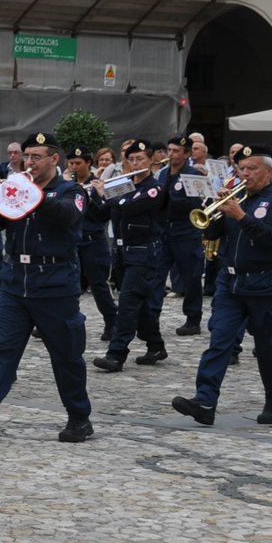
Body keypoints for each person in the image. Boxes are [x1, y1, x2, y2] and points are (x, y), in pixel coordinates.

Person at [0, 132, 93, 442]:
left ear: (54, 159)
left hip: (55, 282)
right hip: (16, 280)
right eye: (26, 157)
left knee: (66, 355)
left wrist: (28, 194)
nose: (28, 162)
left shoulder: (72, 191)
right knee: (3, 350)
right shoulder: (17, 187)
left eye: (36, 157)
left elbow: (66, 217)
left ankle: (79, 417)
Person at [173, 146, 272, 427]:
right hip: (231, 282)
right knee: (220, 340)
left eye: (252, 169)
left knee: (268, 349)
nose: (245, 174)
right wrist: (212, 216)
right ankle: (205, 400)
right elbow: (214, 234)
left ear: (269, 172)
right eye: (241, 169)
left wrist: (241, 216)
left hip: (266, 284)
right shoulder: (234, 199)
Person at [92, 141, 170, 372]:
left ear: (151, 161)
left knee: (127, 304)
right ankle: (156, 346)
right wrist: (91, 196)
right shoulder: (123, 186)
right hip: (123, 252)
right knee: (142, 304)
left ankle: (116, 355)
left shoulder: (155, 188)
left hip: (144, 252)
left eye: (140, 159)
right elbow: (101, 214)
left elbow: (128, 207)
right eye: (131, 159)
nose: (135, 163)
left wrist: (105, 193)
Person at [65, 146, 117, 341]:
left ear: (88, 163)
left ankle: (112, 321)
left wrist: (89, 197)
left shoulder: (97, 184)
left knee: (98, 285)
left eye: (78, 163)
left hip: (93, 241)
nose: (74, 167)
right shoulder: (67, 184)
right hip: (73, 241)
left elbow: (103, 215)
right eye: (71, 164)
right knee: (69, 284)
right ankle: (64, 321)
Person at [158, 135, 208, 336]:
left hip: (186, 232)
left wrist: (166, 199)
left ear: (187, 154)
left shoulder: (193, 174)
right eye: (169, 150)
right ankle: (151, 314)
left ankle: (193, 319)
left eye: (176, 151)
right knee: (156, 275)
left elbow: (194, 204)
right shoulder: (162, 174)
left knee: (191, 277)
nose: (171, 154)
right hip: (164, 231)